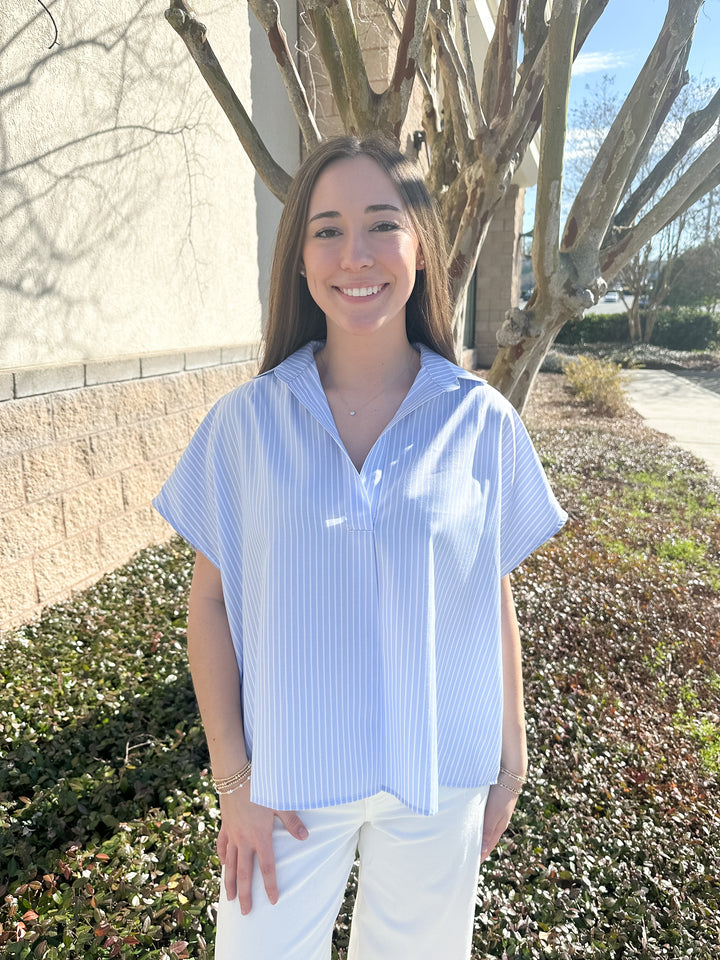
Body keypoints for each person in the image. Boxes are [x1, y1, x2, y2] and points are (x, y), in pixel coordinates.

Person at [153, 135, 566, 960]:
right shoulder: (245, 424)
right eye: (327, 230)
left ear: (422, 247)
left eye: (382, 224)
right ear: (301, 259)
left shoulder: (481, 422)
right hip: (285, 784)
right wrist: (234, 781)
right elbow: (210, 602)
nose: (356, 255)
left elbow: (485, 588)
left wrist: (511, 754)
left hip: (438, 776)